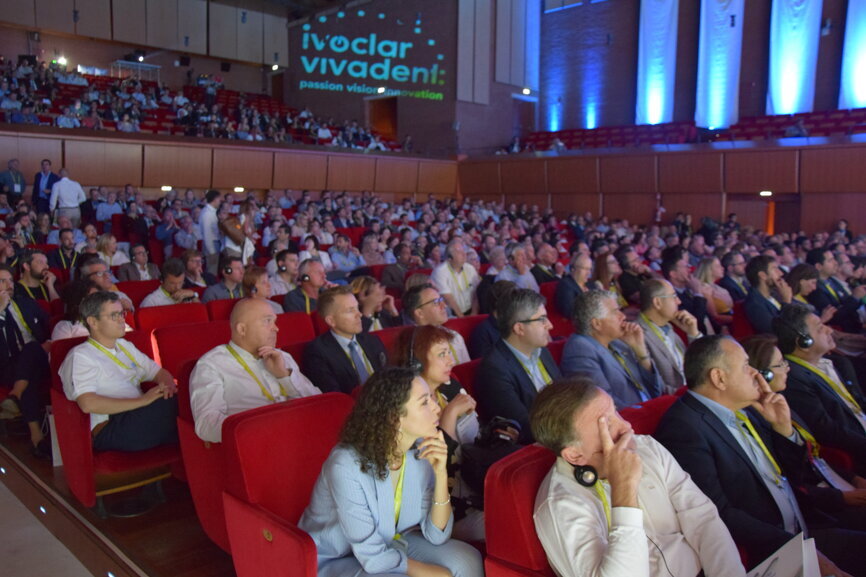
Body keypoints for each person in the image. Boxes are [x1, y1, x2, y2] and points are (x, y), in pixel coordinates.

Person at [654, 335, 865, 577]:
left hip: (806, 524)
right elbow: (717, 513)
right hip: (770, 550)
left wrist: (783, 430)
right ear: (718, 378)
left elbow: (793, 476)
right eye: (746, 366)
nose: (756, 373)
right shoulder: (684, 428)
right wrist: (797, 547)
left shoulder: (747, 410)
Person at [530, 377, 746, 577]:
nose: (627, 427)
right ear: (575, 455)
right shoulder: (560, 505)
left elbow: (703, 518)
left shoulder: (646, 446)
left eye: (616, 412)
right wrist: (623, 491)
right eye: (606, 425)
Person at [298, 367, 483, 577]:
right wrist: (432, 572)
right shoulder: (344, 465)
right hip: (338, 556)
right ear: (394, 418)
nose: (437, 408)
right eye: (424, 402)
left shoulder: (420, 449)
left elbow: (437, 535)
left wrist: (440, 474)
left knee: (468, 561)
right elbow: (372, 556)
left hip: (392, 541)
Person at [742, 334, 866, 521]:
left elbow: (813, 458)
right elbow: (792, 482)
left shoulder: (782, 403)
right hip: (818, 507)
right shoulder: (758, 421)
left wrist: (852, 478)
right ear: (762, 375)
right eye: (780, 364)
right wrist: (843, 498)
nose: (788, 368)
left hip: (832, 484)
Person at [59, 291, 179, 452]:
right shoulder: (81, 355)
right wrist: (144, 400)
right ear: (93, 322)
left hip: (138, 414)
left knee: (186, 405)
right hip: (111, 425)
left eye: (122, 313)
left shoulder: (124, 345)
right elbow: (87, 403)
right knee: (183, 407)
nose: (122, 319)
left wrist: (169, 387)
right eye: (114, 315)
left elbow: (158, 372)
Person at [396, 325, 485, 541]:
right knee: (508, 521)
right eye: (442, 354)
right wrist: (450, 415)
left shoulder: (450, 388)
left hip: (476, 487)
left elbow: (477, 437)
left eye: (449, 353)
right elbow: (440, 471)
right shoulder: (406, 404)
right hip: (443, 507)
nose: (451, 361)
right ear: (416, 362)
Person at [189, 298, 321, 443]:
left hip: (302, 435)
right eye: (267, 321)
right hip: (256, 445)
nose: (276, 328)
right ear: (242, 329)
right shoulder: (211, 365)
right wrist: (258, 429)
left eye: (274, 321)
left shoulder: (282, 357)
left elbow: (317, 402)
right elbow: (206, 425)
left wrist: (284, 376)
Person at [773, 303, 866, 475]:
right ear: (803, 341)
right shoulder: (793, 379)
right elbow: (828, 430)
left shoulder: (839, 363)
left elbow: (859, 403)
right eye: (820, 328)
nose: (829, 330)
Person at [475, 288, 561, 444]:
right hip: (543, 445)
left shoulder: (541, 351)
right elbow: (525, 426)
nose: (550, 325)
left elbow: (565, 394)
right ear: (519, 328)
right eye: (542, 319)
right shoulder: (494, 369)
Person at [562, 290, 663, 409]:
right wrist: (645, 414)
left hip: (650, 410)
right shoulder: (579, 349)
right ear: (597, 324)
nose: (623, 316)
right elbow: (604, 403)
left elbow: (657, 389)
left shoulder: (618, 342)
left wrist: (640, 350)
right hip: (632, 420)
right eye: (615, 312)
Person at [0, 264, 51, 458]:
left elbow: (50, 324)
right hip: (7, 365)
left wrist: (49, 341)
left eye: (10, 280)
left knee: (31, 348)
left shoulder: (27, 302)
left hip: (38, 356)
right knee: (28, 375)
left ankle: (36, 436)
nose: (9, 284)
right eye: (2, 281)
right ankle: (19, 391)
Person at [302, 286, 388, 394]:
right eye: (350, 310)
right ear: (331, 321)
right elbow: (334, 396)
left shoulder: (371, 340)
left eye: (357, 308)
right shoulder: (317, 352)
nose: (359, 315)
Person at [636, 279, 701, 394]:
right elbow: (655, 386)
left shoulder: (669, 327)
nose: (679, 302)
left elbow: (704, 363)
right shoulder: (637, 334)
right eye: (673, 297)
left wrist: (693, 334)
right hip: (676, 400)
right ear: (657, 302)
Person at [402, 283, 470, 364]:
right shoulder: (411, 346)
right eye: (436, 302)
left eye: (441, 300)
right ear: (419, 313)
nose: (444, 306)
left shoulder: (455, 336)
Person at [743, 255, 792, 334]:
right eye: (774, 269)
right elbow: (776, 331)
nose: (781, 273)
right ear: (763, 275)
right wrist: (786, 302)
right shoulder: (755, 304)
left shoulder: (775, 295)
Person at [431, 240, 480, 318]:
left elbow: (476, 293)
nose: (464, 254)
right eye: (459, 252)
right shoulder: (440, 272)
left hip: (472, 311)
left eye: (463, 251)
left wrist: (474, 313)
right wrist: (461, 317)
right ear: (449, 258)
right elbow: (448, 298)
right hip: (451, 315)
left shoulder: (470, 268)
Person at [469, 280, 515, 359]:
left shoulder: (517, 323)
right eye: (512, 300)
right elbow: (486, 364)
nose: (517, 304)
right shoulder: (482, 332)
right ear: (499, 303)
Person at [695, 256, 733, 330]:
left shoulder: (717, 286)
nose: (722, 268)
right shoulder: (704, 289)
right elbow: (714, 316)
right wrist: (736, 319)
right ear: (708, 270)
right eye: (718, 266)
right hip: (722, 328)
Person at [555, 252, 594, 321]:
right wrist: (585, 299)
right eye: (585, 269)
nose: (588, 273)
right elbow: (568, 312)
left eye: (590, 269)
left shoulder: (591, 284)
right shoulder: (565, 285)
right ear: (573, 269)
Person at [200, 189, 222, 276]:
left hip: (215, 243)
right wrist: (211, 251)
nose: (220, 201)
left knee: (214, 269)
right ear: (215, 199)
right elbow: (207, 234)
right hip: (211, 244)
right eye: (219, 199)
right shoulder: (207, 214)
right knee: (211, 271)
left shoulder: (212, 212)